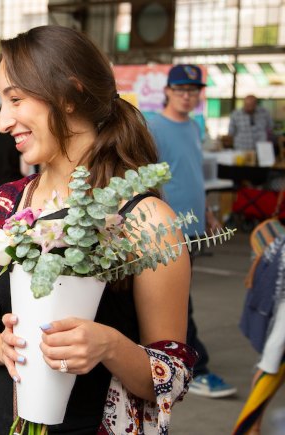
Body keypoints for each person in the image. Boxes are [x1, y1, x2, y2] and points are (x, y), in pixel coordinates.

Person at [0, 26, 196, 434]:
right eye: (1, 102)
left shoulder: (146, 221)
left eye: (15, 99)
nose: (3, 121)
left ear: (69, 95)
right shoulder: (5, 205)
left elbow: (172, 373)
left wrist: (109, 346)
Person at [147, 64, 237, 399]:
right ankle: (196, 368)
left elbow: (192, 174)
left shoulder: (195, 127)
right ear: (167, 91)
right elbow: (144, 177)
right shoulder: (153, 126)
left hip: (195, 228)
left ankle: (168, 355)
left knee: (179, 298)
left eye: (193, 90)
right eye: (181, 89)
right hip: (167, 229)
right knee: (179, 299)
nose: (187, 96)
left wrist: (209, 213)